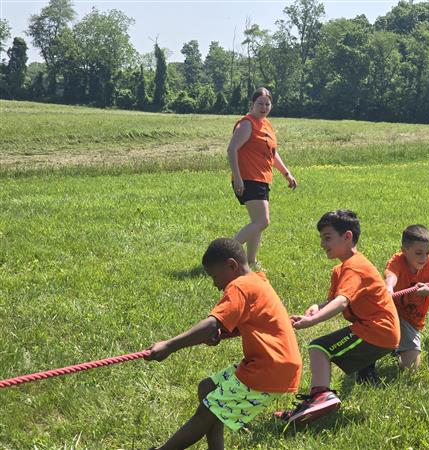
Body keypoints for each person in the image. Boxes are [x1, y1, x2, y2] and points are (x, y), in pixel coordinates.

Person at [146, 238, 302, 450]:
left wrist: (169, 345)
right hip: (272, 363)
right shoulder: (257, 281)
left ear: (231, 265)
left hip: (268, 368)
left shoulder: (240, 286)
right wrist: (224, 331)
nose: (215, 283)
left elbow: (212, 323)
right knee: (208, 388)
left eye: (215, 276)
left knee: (206, 412)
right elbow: (249, 320)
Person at [275, 210, 400, 424]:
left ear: (347, 236)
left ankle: (320, 396)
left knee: (319, 348)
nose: (323, 244)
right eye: (321, 238)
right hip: (374, 330)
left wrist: (313, 321)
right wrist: (317, 306)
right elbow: (336, 299)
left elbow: (342, 302)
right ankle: (318, 398)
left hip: (378, 330)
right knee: (321, 348)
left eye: (327, 237)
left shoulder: (355, 267)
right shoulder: (341, 269)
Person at [357, 224, 429, 377]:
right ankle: (366, 364)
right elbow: (391, 276)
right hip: (392, 313)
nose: (424, 258)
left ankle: (395, 346)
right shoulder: (397, 261)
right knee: (378, 326)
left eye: (427, 252)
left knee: (410, 370)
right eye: (418, 253)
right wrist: (389, 288)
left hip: (412, 321)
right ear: (404, 250)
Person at [227, 87, 297, 268]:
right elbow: (232, 149)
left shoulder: (266, 124)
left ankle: (251, 261)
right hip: (248, 179)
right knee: (262, 221)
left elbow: (272, 153)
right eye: (260, 104)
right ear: (252, 104)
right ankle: (225, 253)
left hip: (262, 179)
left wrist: (286, 173)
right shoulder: (247, 123)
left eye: (267, 104)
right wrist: (238, 177)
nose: (264, 107)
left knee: (256, 223)